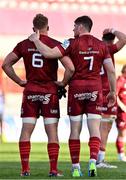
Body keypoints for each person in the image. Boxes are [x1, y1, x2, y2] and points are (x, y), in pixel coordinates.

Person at [29, 15, 116, 177]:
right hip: (95, 90)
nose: (73, 29)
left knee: (75, 129)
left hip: (76, 89)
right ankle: (92, 162)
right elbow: (111, 70)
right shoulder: (101, 45)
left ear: (81, 27)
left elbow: (48, 53)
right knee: (94, 129)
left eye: (75, 26)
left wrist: (35, 40)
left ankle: (76, 167)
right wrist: (113, 91)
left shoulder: (71, 42)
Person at [2, 13, 75, 177]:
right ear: (48, 28)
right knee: (52, 132)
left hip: (31, 91)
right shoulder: (55, 44)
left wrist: (20, 81)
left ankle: (25, 169)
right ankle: (53, 170)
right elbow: (70, 68)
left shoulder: (23, 44)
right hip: (49, 92)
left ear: (33, 28)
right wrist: (63, 83)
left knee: (26, 130)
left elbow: (6, 64)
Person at [96, 29, 126, 168]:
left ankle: (98, 158)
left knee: (103, 126)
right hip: (107, 92)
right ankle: (98, 160)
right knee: (104, 127)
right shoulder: (108, 48)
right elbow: (124, 38)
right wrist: (113, 29)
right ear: (112, 40)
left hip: (98, 90)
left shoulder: (97, 48)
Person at [116, 64, 126, 161]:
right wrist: (122, 106)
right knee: (122, 133)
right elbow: (115, 94)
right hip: (121, 112)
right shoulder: (121, 80)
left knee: (124, 133)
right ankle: (121, 154)